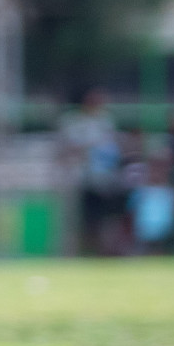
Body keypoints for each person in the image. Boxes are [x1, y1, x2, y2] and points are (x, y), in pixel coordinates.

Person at [56, 87, 125, 257]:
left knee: (105, 220)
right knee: (81, 221)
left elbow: (111, 149)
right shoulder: (73, 122)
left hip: (104, 180)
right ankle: (78, 254)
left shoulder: (105, 121)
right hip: (80, 180)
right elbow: (67, 150)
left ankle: (103, 253)